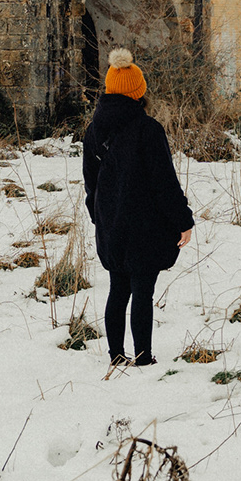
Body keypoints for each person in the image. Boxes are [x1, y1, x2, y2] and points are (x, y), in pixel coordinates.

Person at [83, 48, 194, 368]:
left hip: (111, 225)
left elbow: (90, 182)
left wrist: (99, 217)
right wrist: (183, 220)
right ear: (138, 92)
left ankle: (116, 356)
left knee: (117, 289)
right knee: (142, 292)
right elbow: (164, 183)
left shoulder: (94, 130)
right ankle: (144, 357)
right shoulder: (148, 130)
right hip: (146, 227)